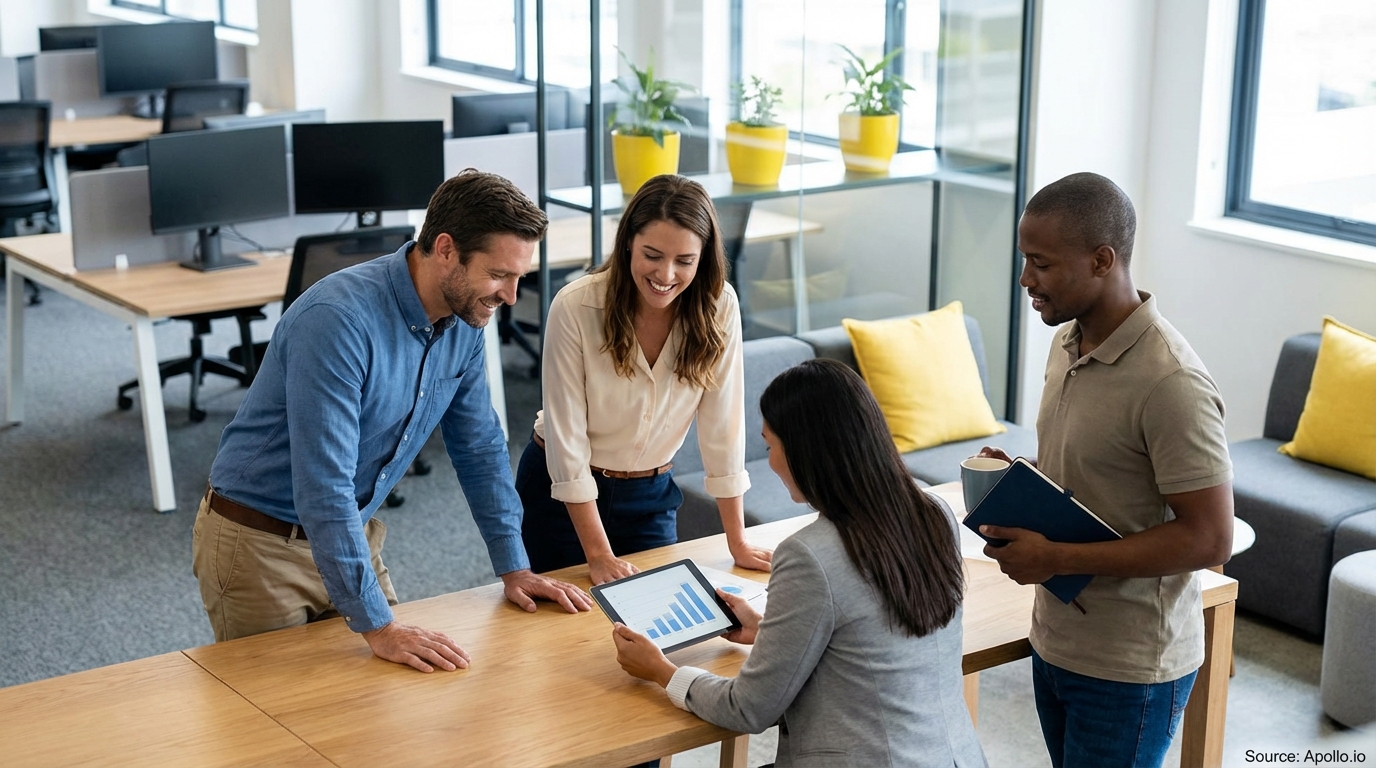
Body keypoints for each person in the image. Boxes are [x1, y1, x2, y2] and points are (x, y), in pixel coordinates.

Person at [193, 169, 592, 673]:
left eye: (520, 278)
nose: (511, 296)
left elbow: (480, 447)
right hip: (259, 547)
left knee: (385, 703)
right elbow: (323, 486)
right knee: (274, 729)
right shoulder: (338, 321)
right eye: (498, 275)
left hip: (348, 532)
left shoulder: (464, 318)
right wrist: (379, 627)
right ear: (445, 248)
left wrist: (514, 566)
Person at [612, 359, 987, 768]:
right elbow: (878, 636)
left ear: (807, 450)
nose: (770, 461)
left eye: (771, 445)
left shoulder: (808, 554)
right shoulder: (934, 512)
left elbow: (749, 709)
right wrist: (768, 631)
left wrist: (661, 671)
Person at [979, 172, 1234, 768]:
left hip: (1131, 668)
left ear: (1101, 260)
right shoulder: (1066, 342)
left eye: (1040, 264)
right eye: (1023, 260)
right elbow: (1096, 472)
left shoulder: (1172, 383)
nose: (1025, 280)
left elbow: (1209, 536)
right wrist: (1020, 478)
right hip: (1057, 641)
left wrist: (1060, 558)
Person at [516, 174, 770, 584]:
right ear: (629, 242)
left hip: (650, 496)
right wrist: (598, 554)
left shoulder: (720, 305)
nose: (666, 274)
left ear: (703, 257)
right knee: (558, 633)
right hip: (559, 492)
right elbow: (567, 438)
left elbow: (723, 425)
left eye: (685, 261)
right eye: (652, 255)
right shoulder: (578, 305)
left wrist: (736, 540)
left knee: (656, 622)